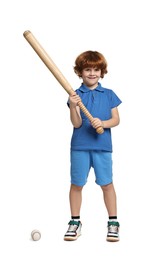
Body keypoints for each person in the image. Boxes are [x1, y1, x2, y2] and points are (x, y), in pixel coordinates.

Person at [64, 50, 122, 242]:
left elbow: (116, 120)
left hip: (103, 147)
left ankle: (113, 222)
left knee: (107, 184)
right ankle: (75, 222)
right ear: (80, 72)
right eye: (87, 69)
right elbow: (77, 124)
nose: (92, 73)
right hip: (80, 146)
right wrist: (73, 106)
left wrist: (103, 124)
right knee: (77, 184)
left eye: (96, 69)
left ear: (101, 72)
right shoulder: (75, 95)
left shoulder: (109, 94)